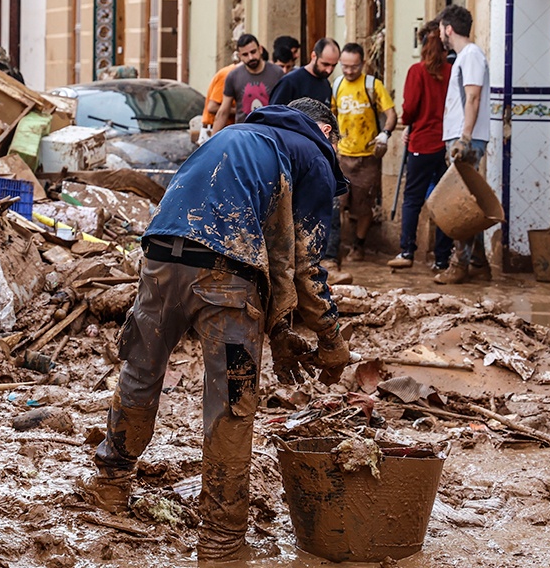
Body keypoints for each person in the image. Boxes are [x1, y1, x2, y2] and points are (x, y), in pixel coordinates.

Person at [82, 98, 352, 561]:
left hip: (160, 258)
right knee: (231, 402)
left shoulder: (235, 137)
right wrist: (332, 339)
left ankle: (110, 487)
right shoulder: (314, 155)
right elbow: (304, 265)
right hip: (225, 278)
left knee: (140, 373)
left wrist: (281, 335)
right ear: (326, 132)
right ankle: (222, 541)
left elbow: (272, 254)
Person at [389, 21, 455, 271]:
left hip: (422, 144)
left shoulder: (416, 72)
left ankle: (407, 251)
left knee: (412, 199)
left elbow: (409, 109)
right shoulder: (451, 71)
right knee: (444, 200)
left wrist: (408, 123)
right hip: (446, 145)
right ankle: (442, 257)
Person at [435, 5, 492, 284]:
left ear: (448, 29)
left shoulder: (470, 55)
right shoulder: (464, 57)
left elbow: (473, 98)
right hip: (461, 137)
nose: (439, 35)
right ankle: (479, 263)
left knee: (461, 204)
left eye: (440, 29)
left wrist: (464, 138)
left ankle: (459, 264)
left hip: (464, 139)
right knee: (468, 201)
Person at [331, 42, 397, 261]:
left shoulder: (372, 85)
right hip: (342, 156)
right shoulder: (337, 85)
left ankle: (358, 246)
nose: (349, 71)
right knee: (337, 203)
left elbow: (391, 114)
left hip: (367, 157)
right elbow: (330, 116)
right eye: (345, 66)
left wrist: (385, 134)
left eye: (354, 67)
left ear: (363, 64)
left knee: (363, 205)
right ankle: (335, 246)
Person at [214, 34, 284, 130]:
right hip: (244, 133)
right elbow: (223, 112)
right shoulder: (233, 76)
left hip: (271, 131)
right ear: (239, 56)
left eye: (253, 52)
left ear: (260, 49)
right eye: (245, 54)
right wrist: (213, 141)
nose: (251, 57)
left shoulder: (277, 73)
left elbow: (285, 107)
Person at [270, 38, 340, 106]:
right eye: (325, 64)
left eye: (333, 65)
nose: (329, 70)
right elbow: (273, 113)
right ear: (314, 56)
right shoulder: (290, 82)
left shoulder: (326, 85)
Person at [199, 57, 239, 143]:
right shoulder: (228, 75)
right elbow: (212, 107)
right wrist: (239, 111)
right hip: (214, 130)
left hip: (227, 130)